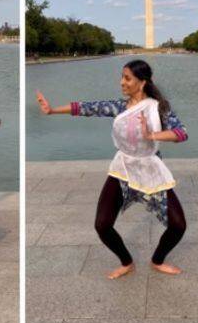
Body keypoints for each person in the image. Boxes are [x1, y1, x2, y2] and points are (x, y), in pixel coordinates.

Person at [36, 59, 188, 279]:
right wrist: (51, 111)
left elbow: (182, 133)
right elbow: (87, 108)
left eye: (127, 78)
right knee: (102, 224)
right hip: (123, 169)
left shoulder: (159, 108)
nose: (122, 83)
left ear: (142, 82)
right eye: (122, 77)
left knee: (178, 225)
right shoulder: (120, 107)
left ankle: (157, 260)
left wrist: (151, 135)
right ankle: (126, 262)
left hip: (150, 171)